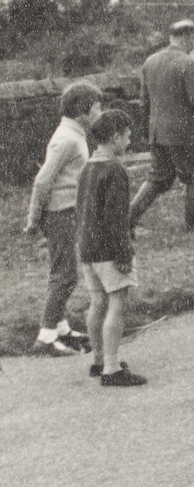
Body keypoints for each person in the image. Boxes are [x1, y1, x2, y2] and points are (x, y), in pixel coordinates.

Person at [24, 81, 103, 356]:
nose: (99, 113)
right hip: (60, 213)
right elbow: (42, 181)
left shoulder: (75, 132)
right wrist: (34, 219)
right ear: (82, 110)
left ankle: (60, 329)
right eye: (96, 107)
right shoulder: (67, 138)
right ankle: (45, 338)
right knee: (66, 274)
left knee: (65, 271)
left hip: (70, 211)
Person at [129, 20, 194, 236]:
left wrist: (148, 131)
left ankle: (128, 219)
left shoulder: (150, 61)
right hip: (185, 133)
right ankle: (193, 226)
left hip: (158, 132)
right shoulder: (188, 63)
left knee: (158, 178)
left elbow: (144, 102)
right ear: (188, 37)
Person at [76, 109, 147, 386]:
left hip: (87, 247)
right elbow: (116, 218)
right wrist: (123, 253)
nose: (129, 142)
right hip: (108, 249)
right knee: (117, 304)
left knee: (97, 302)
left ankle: (98, 359)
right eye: (127, 136)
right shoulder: (115, 170)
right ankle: (112, 368)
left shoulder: (88, 166)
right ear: (115, 137)